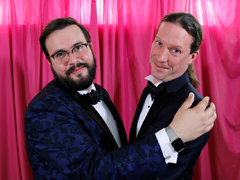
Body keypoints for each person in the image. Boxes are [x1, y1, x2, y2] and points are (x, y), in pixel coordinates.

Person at [25, 17, 216, 180]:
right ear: (49, 61)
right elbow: (94, 171)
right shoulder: (44, 111)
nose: (73, 60)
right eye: (60, 54)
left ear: (90, 47)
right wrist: (174, 134)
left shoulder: (100, 92)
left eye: (78, 47)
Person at [129, 12, 211, 179]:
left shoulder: (196, 109)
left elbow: (169, 174)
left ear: (192, 57)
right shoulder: (150, 89)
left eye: (175, 50)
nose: (160, 57)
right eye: (159, 43)